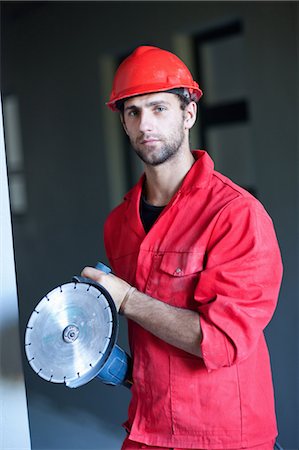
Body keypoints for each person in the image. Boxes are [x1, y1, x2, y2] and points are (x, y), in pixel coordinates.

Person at [82, 46, 283, 450]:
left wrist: (128, 299)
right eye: (132, 112)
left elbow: (223, 341)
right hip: (147, 429)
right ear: (122, 122)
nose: (145, 124)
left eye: (159, 108)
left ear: (188, 114)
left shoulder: (236, 215)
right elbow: (153, 338)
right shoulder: (119, 224)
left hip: (224, 435)